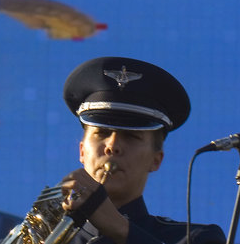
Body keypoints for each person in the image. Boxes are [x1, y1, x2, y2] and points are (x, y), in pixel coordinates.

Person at [56, 56, 226, 244]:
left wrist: (119, 228)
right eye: (102, 133)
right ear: (82, 151)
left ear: (156, 160)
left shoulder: (194, 238)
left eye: (131, 136)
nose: (112, 146)